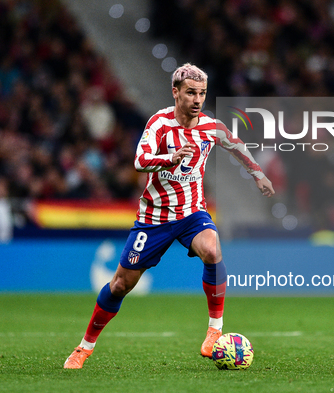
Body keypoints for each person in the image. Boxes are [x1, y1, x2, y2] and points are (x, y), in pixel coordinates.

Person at [64, 63, 274, 369]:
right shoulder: (159, 124)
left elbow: (237, 146)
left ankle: (215, 329)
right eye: (191, 92)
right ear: (175, 92)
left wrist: (258, 175)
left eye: (202, 93)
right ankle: (84, 347)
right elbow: (139, 160)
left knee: (213, 249)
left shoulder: (210, 126)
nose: (198, 99)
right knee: (121, 285)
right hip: (154, 219)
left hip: (192, 214)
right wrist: (169, 158)